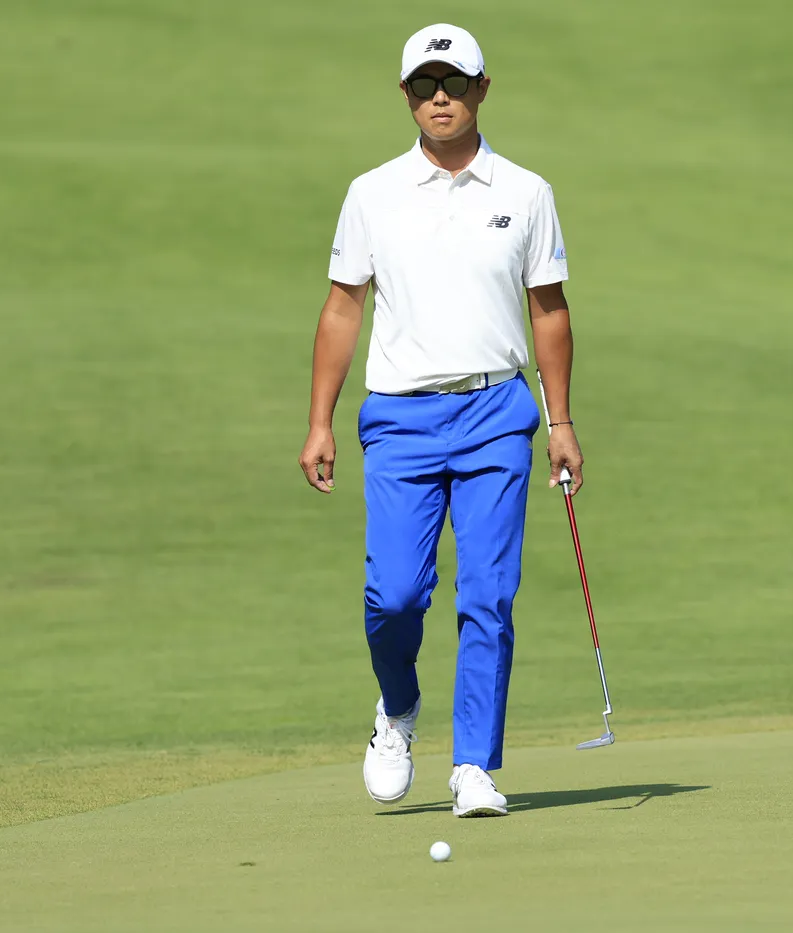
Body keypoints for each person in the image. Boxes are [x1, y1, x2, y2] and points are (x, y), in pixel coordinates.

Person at [298, 23, 583, 818]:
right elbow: (342, 309)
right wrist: (320, 421)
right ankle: (396, 709)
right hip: (400, 416)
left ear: (482, 89)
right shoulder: (372, 193)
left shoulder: (525, 193)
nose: (440, 98)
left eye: (454, 82)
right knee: (393, 595)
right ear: (406, 96)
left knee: (489, 593)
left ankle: (474, 765)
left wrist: (560, 420)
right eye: (425, 85)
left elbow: (549, 310)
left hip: (496, 411)